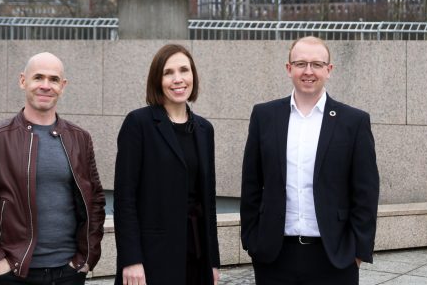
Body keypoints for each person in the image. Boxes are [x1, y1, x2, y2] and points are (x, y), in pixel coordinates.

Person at [240, 36, 379, 285]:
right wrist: (252, 241)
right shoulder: (264, 116)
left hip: (333, 256)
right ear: (288, 68)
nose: (308, 71)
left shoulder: (354, 122)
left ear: (329, 70)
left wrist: (357, 251)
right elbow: (251, 184)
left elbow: (366, 192)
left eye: (316, 64)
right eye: (301, 63)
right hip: (274, 256)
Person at [0, 52, 106, 284]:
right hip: (13, 274)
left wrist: (86, 258)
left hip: (68, 274)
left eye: (54, 79)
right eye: (38, 77)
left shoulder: (80, 139)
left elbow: (95, 201)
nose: (46, 86)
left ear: (63, 86)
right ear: (23, 81)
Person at [114, 44, 220, 285]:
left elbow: (208, 202)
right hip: (153, 257)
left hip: (197, 254)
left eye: (184, 70)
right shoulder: (138, 124)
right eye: (168, 72)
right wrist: (131, 260)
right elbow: (124, 199)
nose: (178, 79)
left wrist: (213, 262)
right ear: (157, 80)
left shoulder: (204, 130)